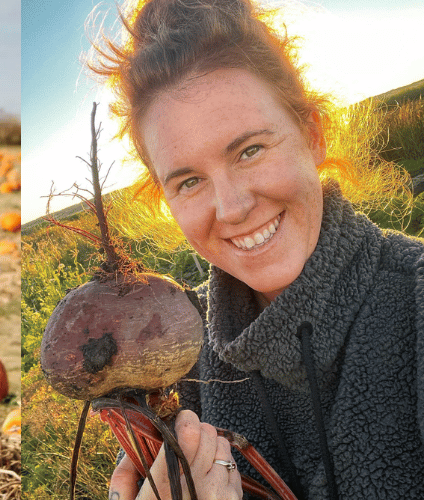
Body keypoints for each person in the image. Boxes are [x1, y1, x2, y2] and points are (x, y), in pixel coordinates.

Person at [89, 0, 424, 498]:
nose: (231, 208)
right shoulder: (175, 353)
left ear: (312, 136)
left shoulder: (414, 306)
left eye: (249, 150)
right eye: (189, 182)